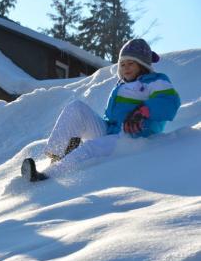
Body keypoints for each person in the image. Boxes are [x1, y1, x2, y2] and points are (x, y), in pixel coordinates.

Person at [21, 38, 181, 182]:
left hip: (132, 138)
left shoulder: (155, 81)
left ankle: (49, 176)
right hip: (111, 132)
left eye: (131, 63)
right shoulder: (122, 85)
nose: (126, 68)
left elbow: (170, 102)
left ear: (143, 64)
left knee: (89, 148)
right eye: (123, 64)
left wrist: (144, 111)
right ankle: (56, 157)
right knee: (76, 108)